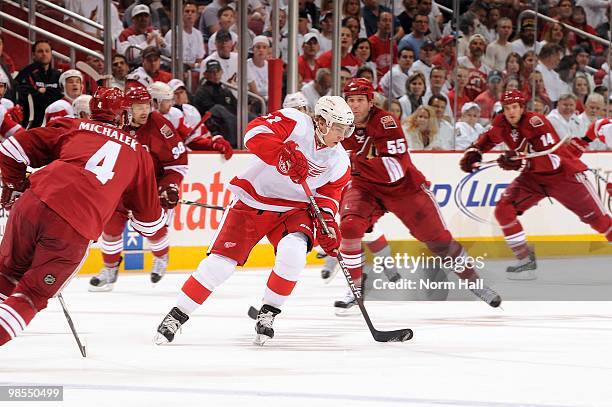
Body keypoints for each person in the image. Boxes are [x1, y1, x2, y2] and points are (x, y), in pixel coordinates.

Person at [154, 96, 354, 345]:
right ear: (321, 121)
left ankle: (268, 314)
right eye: (338, 127)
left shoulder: (339, 159)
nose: (342, 135)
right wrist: (281, 154)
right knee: (221, 264)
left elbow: (328, 196)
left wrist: (328, 224)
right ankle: (177, 315)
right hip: (254, 200)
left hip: (294, 209)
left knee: (293, 253)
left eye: (346, 129)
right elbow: (254, 133)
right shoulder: (296, 122)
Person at [0, 87, 166, 346]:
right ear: (122, 116)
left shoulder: (72, 125)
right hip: (73, 226)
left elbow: (11, 148)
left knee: (6, 274)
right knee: (32, 293)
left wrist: (15, 186)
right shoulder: (139, 153)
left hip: (33, 202)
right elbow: (149, 222)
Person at [335, 78, 501, 314]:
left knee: (439, 242)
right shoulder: (341, 124)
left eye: (360, 100)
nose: (354, 106)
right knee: (349, 227)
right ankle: (355, 287)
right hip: (365, 187)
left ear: (370, 102)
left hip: (405, 189)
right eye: (350, 100)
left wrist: (354, 161)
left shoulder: (385, 121)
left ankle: (475, 282)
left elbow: (394, 170)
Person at [460, 90, 611, 280]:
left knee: (601, 223)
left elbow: (553, 160)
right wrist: (475, 151)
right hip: (533, 179)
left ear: (523, 108)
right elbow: (489, 138)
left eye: (515, 107)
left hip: (563, 176)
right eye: (507, 108)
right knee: (503, 210)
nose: (511, 112)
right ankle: (525, 261)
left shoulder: (536, 122)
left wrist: (520, 162)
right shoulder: (501, 122)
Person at [88, 86, 188, 291]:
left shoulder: (160, 125)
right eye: (137, 107)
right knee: (111, 228)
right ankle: (109, 268)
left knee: (152, 229)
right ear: (126, 108)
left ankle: (161, 257)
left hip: (148, 189)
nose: (144, 111)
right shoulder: (116, 124)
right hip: (120, 188)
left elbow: (178, 163)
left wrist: (168, 186)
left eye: (146, 105)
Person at [14, 40, 62, 128]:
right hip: (32, 122)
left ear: (51, 54)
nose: (44, 54)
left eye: (47, 51)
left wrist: (41, 91)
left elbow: (61, 95)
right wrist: (48, 93)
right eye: (40, 51)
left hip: (55, 122)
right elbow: (25, 95)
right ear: (33, 55)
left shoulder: (58, 75)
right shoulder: (26, 73)